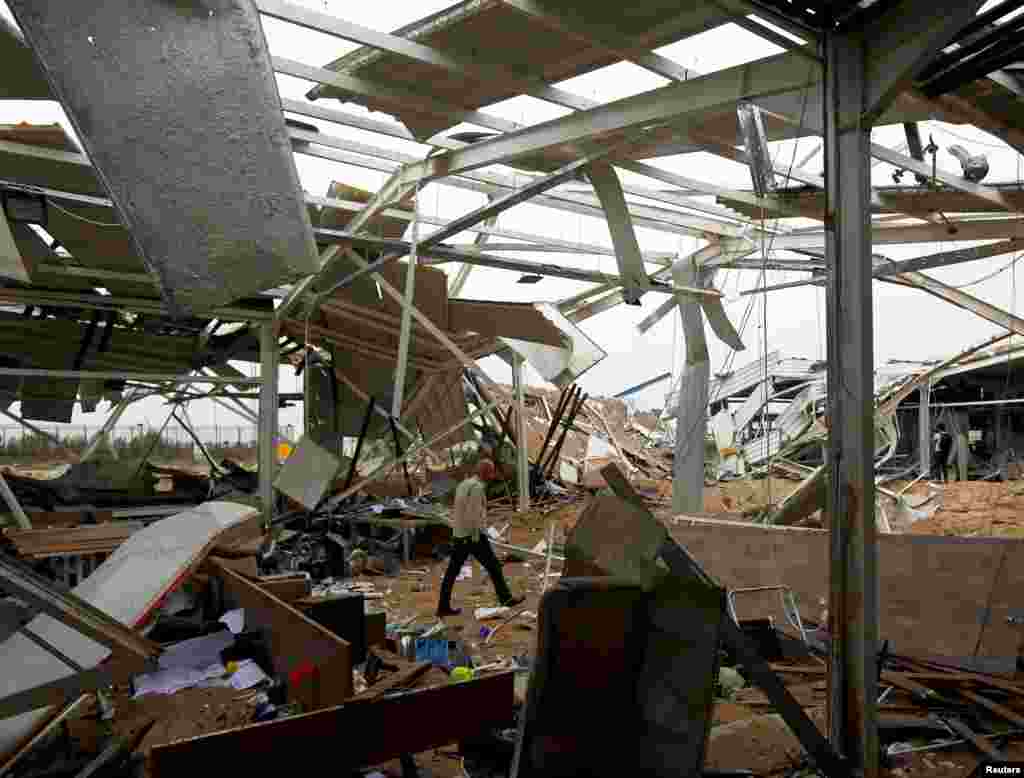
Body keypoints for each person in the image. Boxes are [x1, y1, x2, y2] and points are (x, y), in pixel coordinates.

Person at [437, 458, 523, 617]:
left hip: (460, 535)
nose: (493, 475)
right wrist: (479, 536)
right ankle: (506, 599)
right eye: (491, 472)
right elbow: (474, 515)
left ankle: (442, 606)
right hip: (472, 536)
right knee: (494, 567)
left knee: (452, 572)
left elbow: (459, 510)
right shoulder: (477, 488)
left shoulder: (464, 484)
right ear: (486, 472)